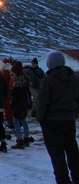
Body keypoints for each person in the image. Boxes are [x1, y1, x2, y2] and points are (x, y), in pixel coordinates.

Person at [37, 51, 79, 184]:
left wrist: (41, 118)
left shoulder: (48, 80)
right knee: (72, 151)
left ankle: (63, 181)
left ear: (50, 64)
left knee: (57, 155)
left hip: (52, 122)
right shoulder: (74, 78)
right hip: (69, 120)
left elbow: (42, 102)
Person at [10, 61, 32, 149]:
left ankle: (19, 140)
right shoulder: (25, 80)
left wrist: (12, 104)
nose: (11, 76)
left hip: (18, 105)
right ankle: (26, 137)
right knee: (23, 120)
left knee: (16, 121)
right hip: (24, 104)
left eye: (12, 74)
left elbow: (15, 97)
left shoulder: (17, 84)